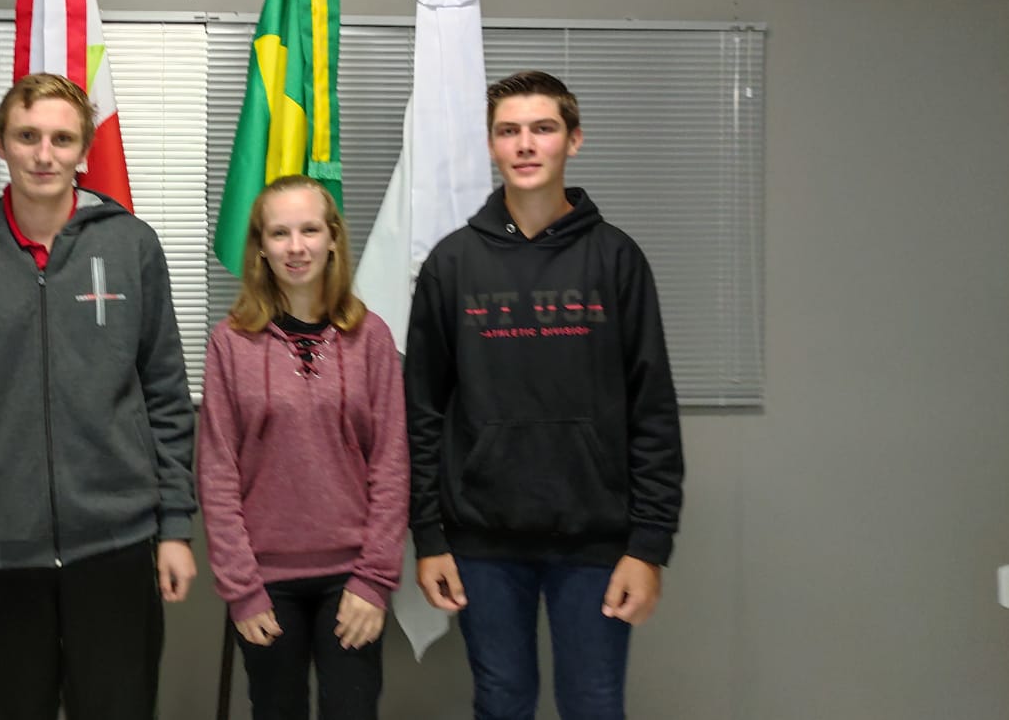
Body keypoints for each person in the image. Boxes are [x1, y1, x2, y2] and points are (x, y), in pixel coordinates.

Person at [0, 72, 198, 720]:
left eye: (62, 139)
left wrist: (175, 528)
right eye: (27, 136)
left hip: (115, 542)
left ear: (84, 150)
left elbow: (166, 395)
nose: (44, 154)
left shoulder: (132, 246)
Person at [405, 70, 685, 720]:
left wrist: (648, 546)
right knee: (502, 703)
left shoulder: (617, 260)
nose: (525, 144)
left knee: (593, 704)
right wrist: (429, 535)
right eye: (509, 131)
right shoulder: (452, 264)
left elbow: (652, 411)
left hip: (595, 540)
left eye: (543, 128)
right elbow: (422, 412)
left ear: (574, 140)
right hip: (481, 540)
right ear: (491, 145)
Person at [198, 174, 408, 720]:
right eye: (280, 233)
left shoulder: (372, 337)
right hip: (266, 583)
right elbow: (217, 473)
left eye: (310, 230)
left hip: (353, 578)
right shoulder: (229, 343)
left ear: (333, 237)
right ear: (260, 247)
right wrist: (242, 589)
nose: (296, 247)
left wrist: (374, 580)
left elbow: (391, 465)